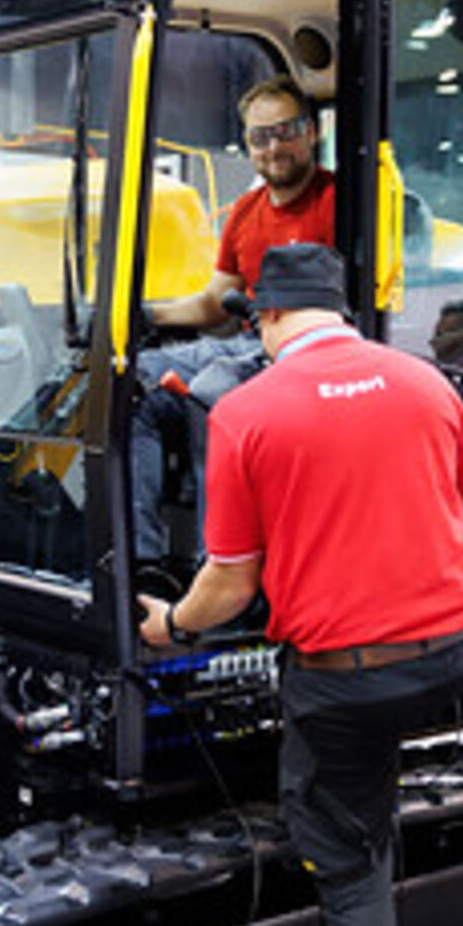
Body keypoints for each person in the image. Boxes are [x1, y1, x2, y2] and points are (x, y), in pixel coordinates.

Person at [138, 244, 463, 926]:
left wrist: (169, 626)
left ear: (266, 315)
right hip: (462, 649)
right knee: (368, 765)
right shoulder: (427, 382)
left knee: (346, 863)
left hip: (350, 684)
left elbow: (230, 586)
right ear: (341, 312)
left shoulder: (245, 413)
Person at [132, 75, 336, 563]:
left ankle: (219, 569)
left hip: (303, 353)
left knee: (212, 391)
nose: (274, 147)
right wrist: (140, 313)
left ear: (312, 132)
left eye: (286, 131)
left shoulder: (339, 203)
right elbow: (214, 303)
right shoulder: (246, 212)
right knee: (133, 384)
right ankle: (144, 565)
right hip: (245, 345)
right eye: (259, 137)